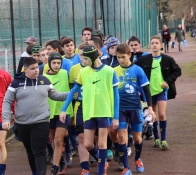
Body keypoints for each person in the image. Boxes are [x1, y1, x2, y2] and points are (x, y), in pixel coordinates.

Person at [2, 57, 69, 175]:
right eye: (32, 69)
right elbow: (7, 101)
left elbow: (56, 95)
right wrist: (6, 119)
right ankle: (35, 172)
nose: (36, 70)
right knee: (30, 150)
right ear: (25, 69)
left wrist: (72, 94)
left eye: (37, 68)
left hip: (41, 122)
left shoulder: (45, 81)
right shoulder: (16, 83)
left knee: (39, 150)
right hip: (23, 123)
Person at [60, 45, 120, 175]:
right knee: (87, 144)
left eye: (85, 59)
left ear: (92, 58)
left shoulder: (110, 71)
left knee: (102, 142)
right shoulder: (83, 72)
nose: (83, 62)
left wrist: (115, 116)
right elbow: (73, 92)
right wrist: (63, 109)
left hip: (104, 112)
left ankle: (101, 170)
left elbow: (116, 96)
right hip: (88, 112)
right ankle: (102, 159)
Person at [112, 43, 156, 175]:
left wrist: (150, 108)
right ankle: (126, 167)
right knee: (121, 137)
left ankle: (137, 159)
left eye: (123, 57)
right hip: (120, 109)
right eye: (118, 57)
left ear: (129, 55)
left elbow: (146, 89)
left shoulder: (138, 70)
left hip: (135, 108)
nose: (120, 60)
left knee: (137, 139)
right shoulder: (113, 71)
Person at [135, 35, 181, 150]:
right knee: (152, 115)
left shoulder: (167, 59)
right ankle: (156, 139)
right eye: (152, 43)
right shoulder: (143, 60)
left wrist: (167, 81)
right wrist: (138, 89)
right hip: (149, 93)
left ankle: (163, 140)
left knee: (161, 114)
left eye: (156, 43)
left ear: (161, 45)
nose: (154, 45)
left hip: (161, 90)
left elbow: (177, 71)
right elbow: (134, 71)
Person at [44, 53, 73, 175]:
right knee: (53, 139)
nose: (56, 65)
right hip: (50, 113)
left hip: (63, 111)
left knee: (58, 139)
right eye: (54, 63)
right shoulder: (44, 78)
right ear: (49, 64)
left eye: (59, 63)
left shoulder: (65, 74)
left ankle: (55, 167)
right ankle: (61, 161)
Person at [69, 43, 91, 175]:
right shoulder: (74, 69)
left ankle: (99, 158)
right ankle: (85, 167)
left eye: (86, 55)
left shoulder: (99, 69)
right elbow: (72, 91)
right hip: (80, 106)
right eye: (81, 54)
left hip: (96, 108)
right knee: (82, 138)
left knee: (94, 138)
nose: (83, 57)